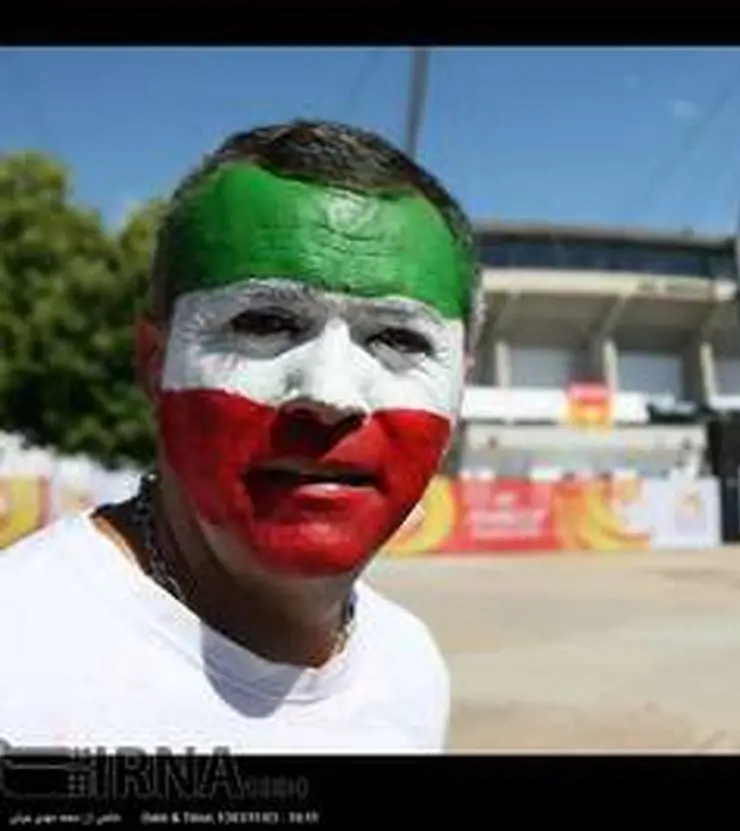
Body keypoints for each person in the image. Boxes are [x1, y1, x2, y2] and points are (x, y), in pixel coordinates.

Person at [0, 120, 483, 754]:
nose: (330, 395)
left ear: (461, 386)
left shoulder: (411, 666)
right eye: (265, 322)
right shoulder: (18, 658)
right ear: (154, 362)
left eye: (398, 338)